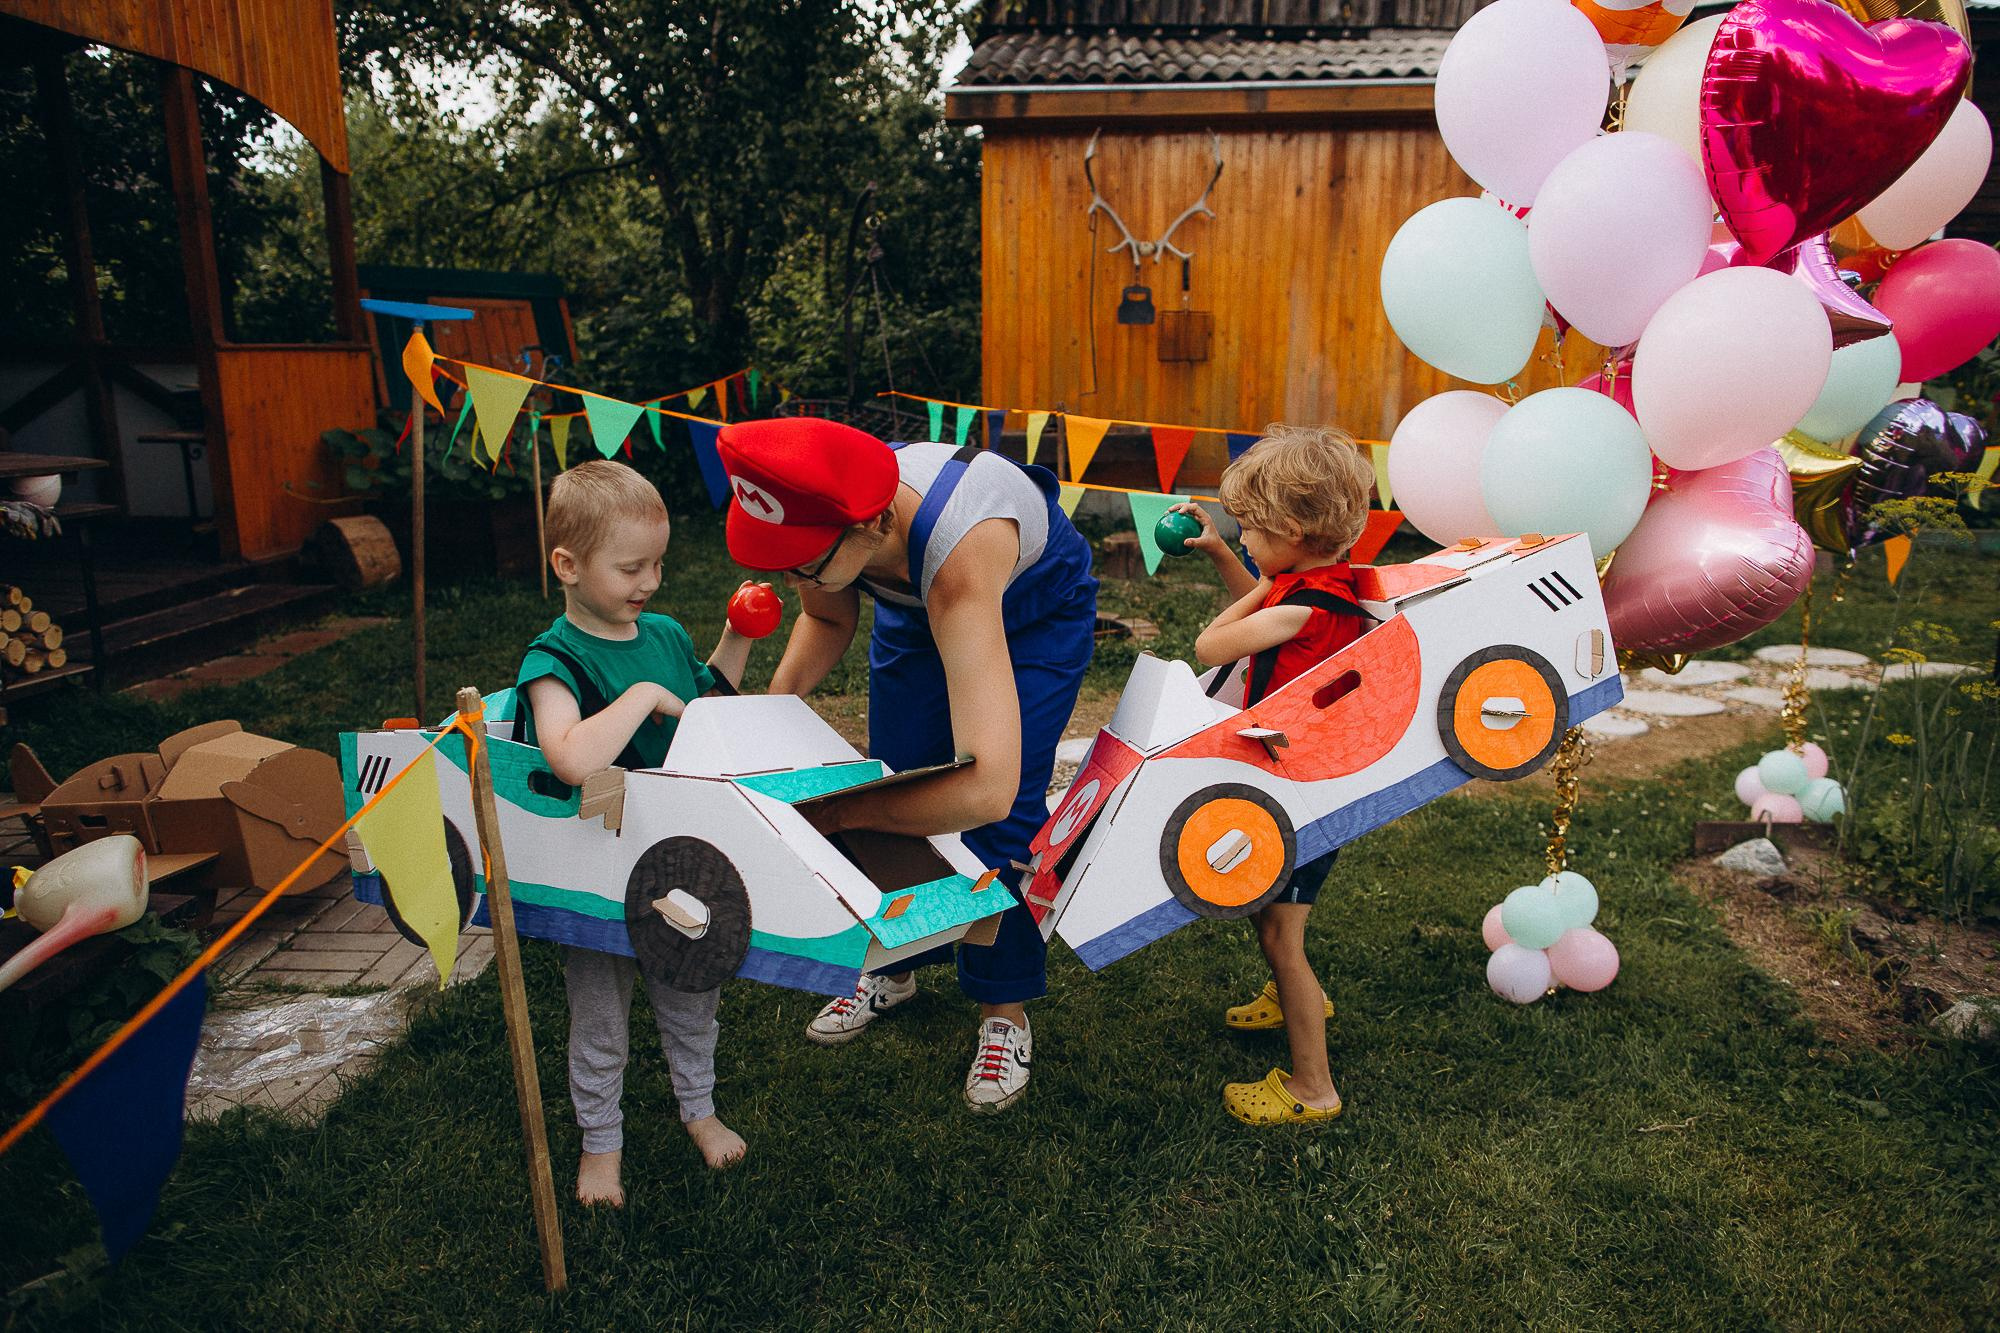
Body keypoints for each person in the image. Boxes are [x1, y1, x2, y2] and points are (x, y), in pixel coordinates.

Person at [715, 417, 1097, 1114]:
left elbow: (986, 784)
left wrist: (842, 811)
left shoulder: (957, 549)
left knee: (994, 814)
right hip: (915, 601)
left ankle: (1002, 1009)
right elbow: (828, 619)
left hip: (1034, 611)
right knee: (896, 771)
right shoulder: (830, 508)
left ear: (873, 524)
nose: (791, 578)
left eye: (801, 564)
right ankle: (898, 963)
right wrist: (764, 719)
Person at [515, 460, 762, 1200]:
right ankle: (601, 1142)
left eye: (658, 561)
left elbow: (706, 701)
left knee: (691, 987)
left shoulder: (660, 631)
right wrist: (643, 693)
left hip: (678, 846)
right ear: (567, 564)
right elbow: (569, 757)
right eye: (630, 566)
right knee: (600, 1011)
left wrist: (734, 635)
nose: (649, 579)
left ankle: (699, 1107)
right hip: (600, 845)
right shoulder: (551, 660)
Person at [1173, 423, 1376, 1126]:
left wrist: (1254, 580)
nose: (1246, 540)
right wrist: (1228, 557)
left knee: (1281, 936)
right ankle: (1297, 1000)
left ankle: (1313, 1086)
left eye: (1250, 528)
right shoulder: (1320, 587)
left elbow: (1210, 641)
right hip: (1305, 780)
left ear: (1290, 527)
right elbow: (1269, 594)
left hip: (1304, 792)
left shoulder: (1301, 606)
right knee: (1269, 913)